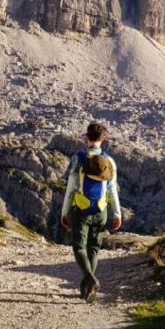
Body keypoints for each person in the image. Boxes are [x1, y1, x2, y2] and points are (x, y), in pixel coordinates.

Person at [60, 122, 122, 303]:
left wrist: (64, 212)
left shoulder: (78, 159)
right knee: (93, 248)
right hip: (101, 210)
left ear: (86, 137)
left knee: (79, 247)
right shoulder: (109, 161)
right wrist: (117, 214)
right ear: (103, 139)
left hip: (81, 209)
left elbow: (70, 188)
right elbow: (112, 190)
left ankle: (91, 279)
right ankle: (86, 289)